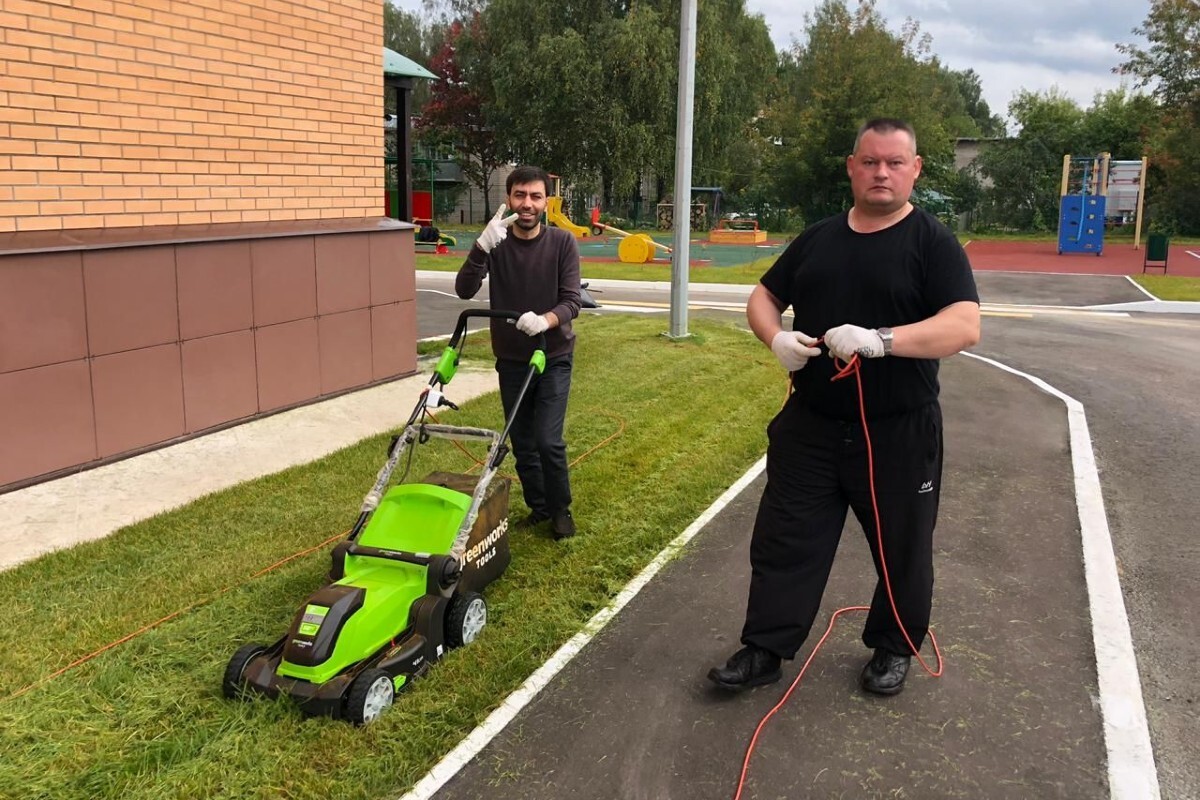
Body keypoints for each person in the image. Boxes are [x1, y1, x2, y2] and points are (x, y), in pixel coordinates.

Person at [708, 118, 981, 696]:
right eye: (870, 161)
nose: (882, 172)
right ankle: (765, 648)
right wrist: (774, 337)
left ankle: (893, 645)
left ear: (915, 170)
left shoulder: (932, 243)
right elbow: (764, 295)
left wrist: (882, 340)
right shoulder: (818, 238)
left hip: (897, 430)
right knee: (785, 539)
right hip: (811, 424)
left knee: (902, 546)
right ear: (852, 167)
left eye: (895, 162)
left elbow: (963, 325)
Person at [455, 165, 583, 540]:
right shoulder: (496, 244)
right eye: (520, 195)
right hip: (511, 360)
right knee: (523, 443)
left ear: (545, 202)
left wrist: (546, 320)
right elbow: (464, 290)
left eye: (535, 196)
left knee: (548, 440)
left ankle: (560, 510)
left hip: (553, 354)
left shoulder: (562, 243)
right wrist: (481, 246)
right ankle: (539, 508)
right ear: (508, 199)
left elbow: (572, 301)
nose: (527, 204)